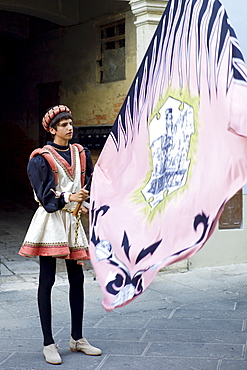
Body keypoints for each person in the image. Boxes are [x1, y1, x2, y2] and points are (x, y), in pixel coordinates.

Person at [19, 105, 102, 365]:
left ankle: (77, 338)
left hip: (73, 220)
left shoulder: (81, 153)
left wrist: (86, 198)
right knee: (47, 279)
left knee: (77, 279)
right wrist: (69, 196)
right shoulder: (40, 158)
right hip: (52, 221)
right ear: (52, 129)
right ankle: (48, 343)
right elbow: (44, 197)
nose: (69, 127)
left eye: (70, 123)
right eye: (63, 124)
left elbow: (88, 182)